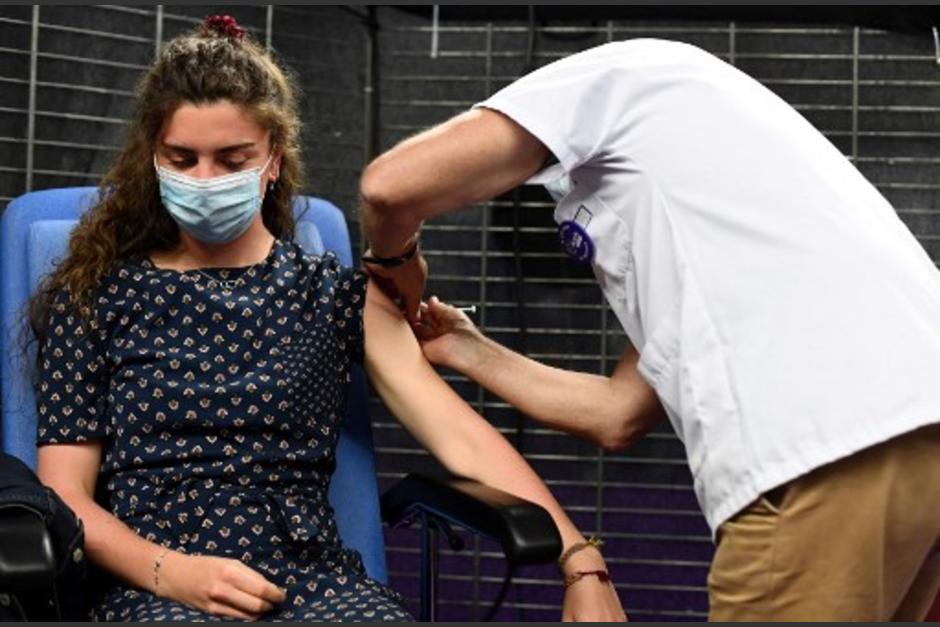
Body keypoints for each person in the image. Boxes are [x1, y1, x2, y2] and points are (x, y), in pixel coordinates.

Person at [30, 17, 625, 622]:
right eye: (181, 158)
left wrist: (581, 561)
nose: (203, 180)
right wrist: (170, 572)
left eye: (232, 158)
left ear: (272, 161)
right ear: (152, 159)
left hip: (313, 585)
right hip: (154, 583)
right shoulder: (97, 296)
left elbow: (461, 436)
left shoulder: (338, 296)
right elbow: (64, 494)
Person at [358, 38, 940, 621]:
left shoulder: (608, 78)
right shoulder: (717, 197)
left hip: (822, 445)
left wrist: (396, 260)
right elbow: (619, 413)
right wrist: (468, 348)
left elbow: (392, 186)